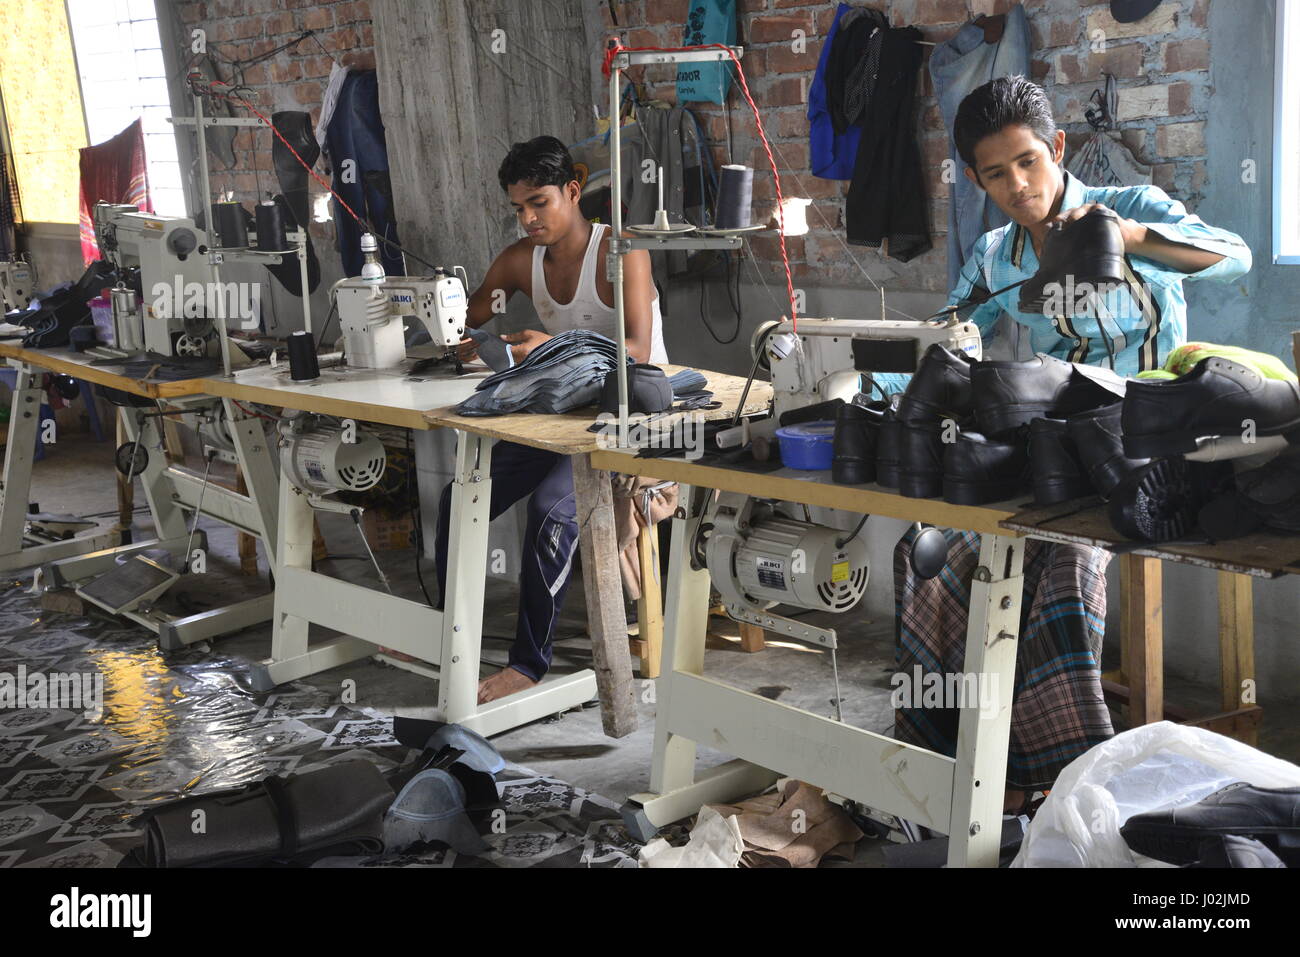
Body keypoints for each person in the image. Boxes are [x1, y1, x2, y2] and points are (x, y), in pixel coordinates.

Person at [893, 76, 1251, 812]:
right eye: (996, 173)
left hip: (1151, 445)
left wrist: (1131, 240)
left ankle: (1063, 774)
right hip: (1062, 441)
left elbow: (1236, 254)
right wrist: (869, 385)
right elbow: (947, 335)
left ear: (1056, 148)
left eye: (1028, 161)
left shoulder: (1129, 211)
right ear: (976, 178)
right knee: (937, 545)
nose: (1018, 185)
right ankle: (952, 752)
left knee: (1064, 554)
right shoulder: (998, 255)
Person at [435, 135, 668, 704]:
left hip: (631, 414)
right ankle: (442, 633)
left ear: (572, 189)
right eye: (518, 208)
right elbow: (466, 318)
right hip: (561, 415)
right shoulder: (521, 261)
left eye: (539, 202)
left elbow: (636, 348)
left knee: (548, 511)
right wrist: (466, 337)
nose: (529, 217)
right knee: (458, 500)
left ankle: (528, 665)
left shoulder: (622, 251)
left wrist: (551, 344)